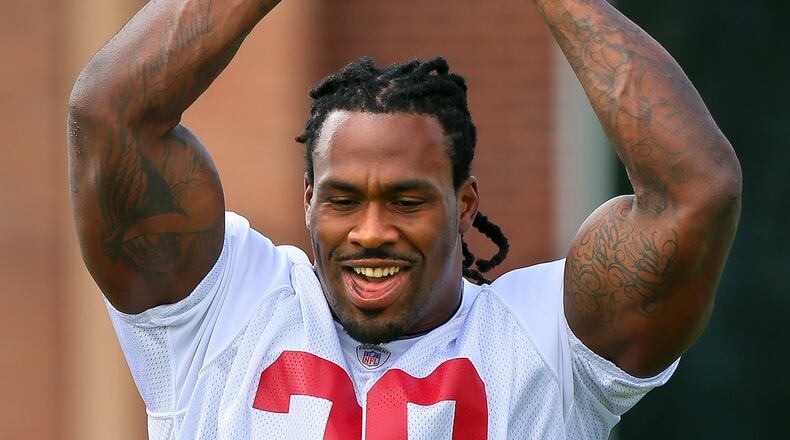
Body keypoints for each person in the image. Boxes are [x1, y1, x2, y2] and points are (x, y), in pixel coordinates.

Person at [67, 0, 741, 438]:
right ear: (308, 200)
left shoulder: (544, 345)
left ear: (464, 204)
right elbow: (109, 115)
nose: (369, 231)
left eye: (406, 200)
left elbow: (694, 194)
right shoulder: (223, 312)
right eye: (342, 199)